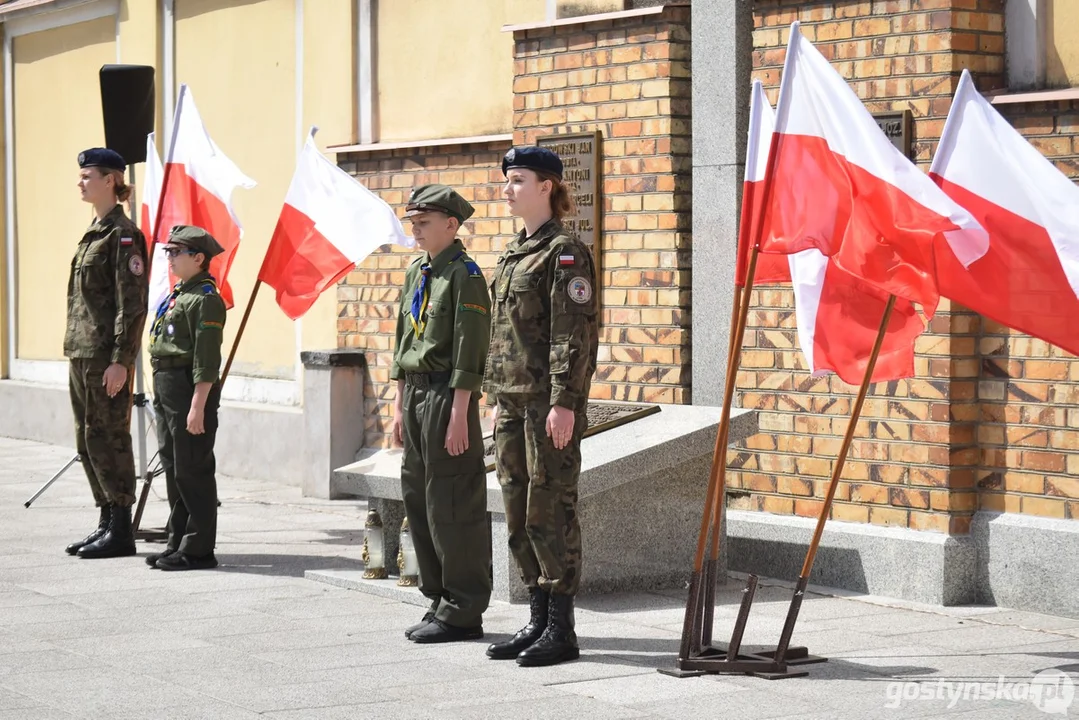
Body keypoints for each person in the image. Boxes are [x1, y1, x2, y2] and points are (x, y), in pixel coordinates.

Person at [484, 146, 599, 667]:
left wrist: (564, 403)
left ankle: (561, 627)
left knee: (550, 509)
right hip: (510, 402)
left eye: (518, 180)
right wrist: (494, 396)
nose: (507, 189)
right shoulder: (514, 252)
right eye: (507, 180)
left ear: (546, 186)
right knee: (516, 511)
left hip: (546, 406)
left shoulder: (565, 253)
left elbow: (571, 337)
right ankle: (536, 616)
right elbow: (501, 335)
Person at [391, 184, 493, 644]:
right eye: (413, 221)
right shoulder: (419, 271)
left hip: (446, 398)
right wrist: (396, 404)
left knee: (451, 502)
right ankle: (439, 599)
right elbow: (402, 340)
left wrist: (460, 412)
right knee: (419, 497)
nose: (416, 228)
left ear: (451, 225)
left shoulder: (464, 276)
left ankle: (464, 608)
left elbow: (471, 349)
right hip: (415, 395)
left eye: (424, 222)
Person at [65, 148, 149, 559]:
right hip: (81, 351)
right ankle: (104, 522)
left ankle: (121, 529)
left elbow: (130, 304)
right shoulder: (92, 232)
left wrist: (122, 360)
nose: (80, 183)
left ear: (111, 180)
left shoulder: (123, 234)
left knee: (110, 436)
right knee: (86, 439)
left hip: (105, 356)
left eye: (87, 176)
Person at [145, 226, 227, 571]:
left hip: (187, 386)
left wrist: (197, 406)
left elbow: (206, 361)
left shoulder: (205, 298)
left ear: (198, 258)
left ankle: (198, 549)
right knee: (175, 466)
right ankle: (177, 541)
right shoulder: (180, 293)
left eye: (176, 253)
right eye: (168, 252)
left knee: (192, 467)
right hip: (167, 382)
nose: (170, 259)